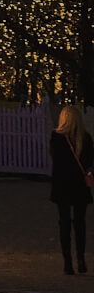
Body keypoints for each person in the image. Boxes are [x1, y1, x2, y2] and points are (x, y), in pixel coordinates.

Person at [50, 103, 94, 275]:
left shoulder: (57, 137)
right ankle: (81, 259)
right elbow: (89, 161)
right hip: (79, 186)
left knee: (64, 223)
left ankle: (67, 262)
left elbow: (55, 159)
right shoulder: (86, 138)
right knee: (80, 223)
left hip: (62, 185)